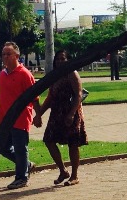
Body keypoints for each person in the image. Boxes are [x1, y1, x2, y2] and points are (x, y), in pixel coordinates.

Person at [33, 50, 88, 186]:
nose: (60, 61)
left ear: (68, 60)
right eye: (57, 59)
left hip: (71, 112)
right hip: (56, 113)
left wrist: (71, 114)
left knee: (73, 144)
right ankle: (63, 170)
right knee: (49, 140)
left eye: (63, 59)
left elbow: (78, 95)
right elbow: (50, 97)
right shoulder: (55, 76)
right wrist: (39, 113)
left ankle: (74, 176)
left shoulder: (72, 74)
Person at [0, 41, 42, 189]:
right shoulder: (2, 74)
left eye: (8, 54)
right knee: (2, 147)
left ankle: (21, 178)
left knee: (20, 148)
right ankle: (26, 165)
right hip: (5, 119)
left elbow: (34, 97)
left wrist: (38, 115)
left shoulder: (25, 74)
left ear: (17, 56)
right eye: (3, 54)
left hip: (21, 119)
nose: (5, 57)